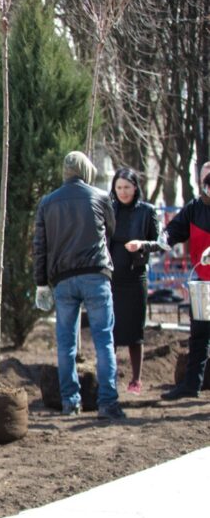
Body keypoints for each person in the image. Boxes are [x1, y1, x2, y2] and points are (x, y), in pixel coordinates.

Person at [33, 151, 123, 420]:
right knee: (104, 341)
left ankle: (70, 403)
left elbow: (40, 246)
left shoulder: (47, 203)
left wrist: (41, 284)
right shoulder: (100, 197)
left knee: (65, 345)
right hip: (96, 275)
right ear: (86, 170)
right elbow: (112, 230)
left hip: (63, 281)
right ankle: (108, 403)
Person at [126, 161, 210, 400]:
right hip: (203, 281)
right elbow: (174, 230)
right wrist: (161, 239)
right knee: (199, 335)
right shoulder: (194, 209)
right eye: (205, 179)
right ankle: (192, 385)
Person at [106, 168, 160, 395]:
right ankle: (111, 377)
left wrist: (142, 244)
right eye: (119, 187)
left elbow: (159, 243)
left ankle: (136, 379)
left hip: (136, 277)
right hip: (112, 279)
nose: (123, 192)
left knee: (135, 329)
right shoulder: (109, 209)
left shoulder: (147, 211)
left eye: (127, 187)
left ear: (135, 187)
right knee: (111, 329)